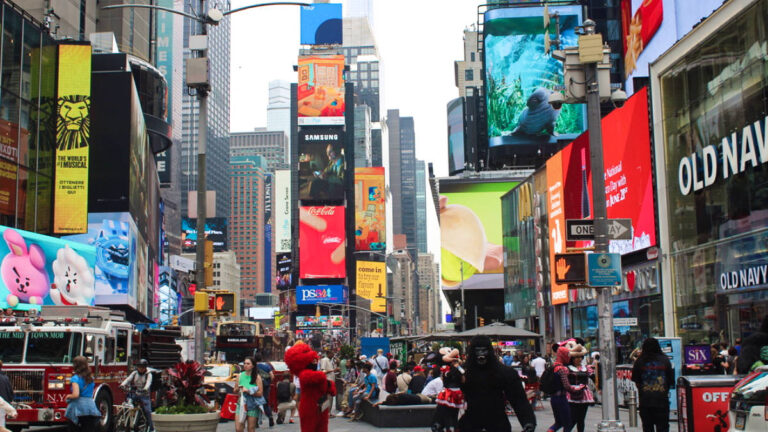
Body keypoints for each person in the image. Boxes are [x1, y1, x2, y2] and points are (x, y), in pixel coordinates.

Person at [459, 335, 536, 432]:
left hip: (497, 423)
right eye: (478, 351)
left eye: (484, 351)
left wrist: (528, 421)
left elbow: (518, 400)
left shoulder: (504, 372)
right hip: (472, 423)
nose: (481, 355)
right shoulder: (463, 372)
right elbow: (449, 397)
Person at [284, 343, 336, 432]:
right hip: (310, 409)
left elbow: (331, 389)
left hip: (321, 407)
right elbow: (324, 381)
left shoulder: (310, 374)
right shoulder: (304, 374)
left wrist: (327, 384)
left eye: (315, 360)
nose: (315, 361)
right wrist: (327, 383)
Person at [632, 338, 674, 432]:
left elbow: (636, 380)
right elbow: (671, 380)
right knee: (663, 427)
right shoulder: (665, 360)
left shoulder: (640, 361)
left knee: (647, 427)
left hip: (645, 401)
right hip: (662, 400)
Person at [548, 345, 586, 432]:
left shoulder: (553, 366)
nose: (568, 357)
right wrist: (577, 390)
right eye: (567, 355)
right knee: (568, 424)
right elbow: (567, 386)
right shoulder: (562, 369)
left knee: (558, 423)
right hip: (561, 398)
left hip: (553, 398)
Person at [64, 356, 101, 432]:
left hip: (78, 409)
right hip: (91, 407)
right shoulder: (90, 378)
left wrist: (68, 396)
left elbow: (76, 394)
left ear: (75, 366)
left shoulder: (75, 379)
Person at [120, 358, 154, 431]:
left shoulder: (149, 374)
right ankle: (126, 420)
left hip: (144, 395)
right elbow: (128, 379)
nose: (140, 369)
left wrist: (145, 388)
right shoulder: (134, 373)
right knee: (127, 404)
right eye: (139, 367)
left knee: (148, 411)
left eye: (142, 367)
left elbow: (149, 382)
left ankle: (151, 428)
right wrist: (122, 384)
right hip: (135, 393)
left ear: (145, 368)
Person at [566, 345, 594, 432]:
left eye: (580, 357)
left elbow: (593, 377)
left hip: (584, 395)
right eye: (576, 357)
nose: (579, 359)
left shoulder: (586, 368)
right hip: (572, 394)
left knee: (581, 419)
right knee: (573, 418)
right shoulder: (568, 369)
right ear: (572, 359)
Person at [234, 357, 265, 432]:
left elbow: (260, 393)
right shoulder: (240, 376)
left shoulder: (257, 377)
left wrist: (248, 391)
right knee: (238, 428)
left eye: (248, 363)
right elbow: (235, 390)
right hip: (241, 404)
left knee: (251, 429)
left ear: (253, 366)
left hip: (252, 405)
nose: (245, 365)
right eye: (244, 363)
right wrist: (239, 388)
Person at [254, 353, 275, 426]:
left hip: (256, 387)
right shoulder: (267, 366)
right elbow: (272, 376)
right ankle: (270, 417)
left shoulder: (254, 367)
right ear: (262, 358)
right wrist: (268, 383)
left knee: (255, 402)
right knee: (266, 402)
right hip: (266, 387)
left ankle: (255, 421)